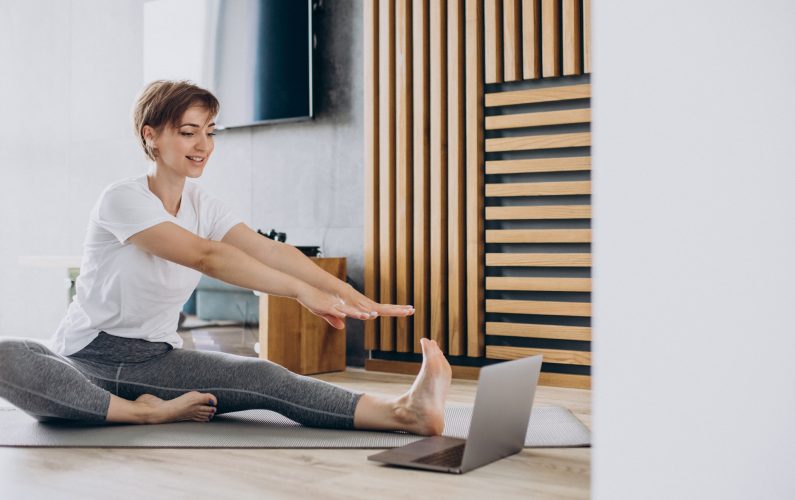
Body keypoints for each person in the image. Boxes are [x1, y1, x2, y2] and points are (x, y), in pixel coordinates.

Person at [0, 80, 452, 435]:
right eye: (188, 131)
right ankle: (144, 415)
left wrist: (345, 292)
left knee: (264, 376)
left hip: (158, 359)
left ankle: (405, 412)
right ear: (151, 136)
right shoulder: (121, 199)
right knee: (8, 355)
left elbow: (268, 250)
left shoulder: (203, 205)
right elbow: (206, 256)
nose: (203, 145)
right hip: (89, 356)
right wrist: (302, 293)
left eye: (209, 132)